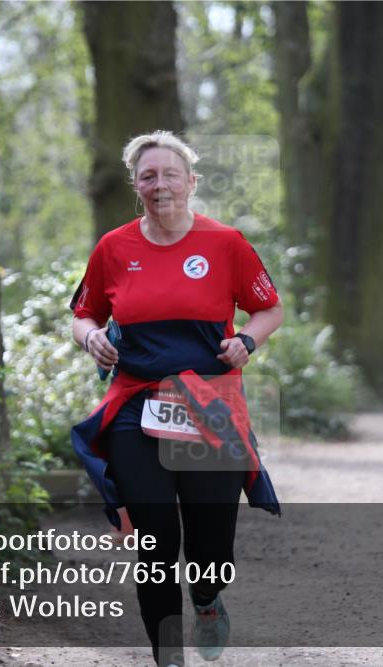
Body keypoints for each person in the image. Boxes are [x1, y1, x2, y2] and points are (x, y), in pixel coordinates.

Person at [68, 131, 284, 666]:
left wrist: (247, 341)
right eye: (148, 176)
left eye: (169, 174)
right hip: (136, 405)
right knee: (155, 543)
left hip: (207, 404)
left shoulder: (225, 243)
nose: (159, 184)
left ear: (191, 182)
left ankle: (207, 600)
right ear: (136, 186)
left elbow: (269, 308)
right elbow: (83, 313)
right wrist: (92, 336)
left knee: (211, 546)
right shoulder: (113, 248)